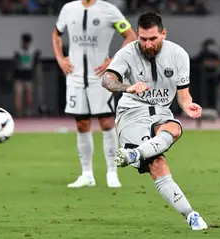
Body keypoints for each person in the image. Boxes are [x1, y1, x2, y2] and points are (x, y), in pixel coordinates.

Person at [101, 12, 208, 230]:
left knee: (175, 129)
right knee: (157, 163)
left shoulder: (179, 55)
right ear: (138, 35)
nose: (147, 44)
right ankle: (190, 214)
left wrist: (187, 105)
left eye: (153, 39)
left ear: (163, 34)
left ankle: (135, 154)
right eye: (143, 39)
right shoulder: (127, 53)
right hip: (132, 114)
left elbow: (183, 95)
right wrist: (127, 87)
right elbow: (107, 79)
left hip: (161, 112)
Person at [52, 0, 137, 188]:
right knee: (81, 123)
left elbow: (131, 36)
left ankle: (112, 173)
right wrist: (59, 58)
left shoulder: (109, 10)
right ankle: (87, 174)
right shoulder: (68, 9)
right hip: (74, 77)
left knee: (106, 122)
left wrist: (113, 60)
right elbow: (56, 34)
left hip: (99, 77)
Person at [13, 33, 40, 117]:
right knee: (18, 94)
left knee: (29, 94)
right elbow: (15, 63)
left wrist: (35, 74)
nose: (24, 43)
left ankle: (28, 111)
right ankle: (19, 112)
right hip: (19, 75)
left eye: (25, 41)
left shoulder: (33, 51)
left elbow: (35, 64)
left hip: (28, 75)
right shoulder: (18, 51)